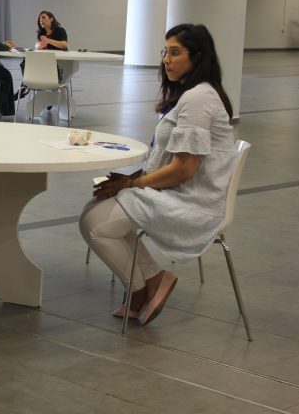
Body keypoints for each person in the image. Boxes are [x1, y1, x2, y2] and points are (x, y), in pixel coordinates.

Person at [78, 24, 236, 326]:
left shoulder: (199, 99)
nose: (166, 59)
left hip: (193, 201)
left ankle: (140, 289)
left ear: (196, 57)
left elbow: (183, 169)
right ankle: (151, 281)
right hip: (177, 190)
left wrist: (132, 183)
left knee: (94, 224)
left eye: (175, 53)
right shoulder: (190, 94)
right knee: (95, 210)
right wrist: (129, 180)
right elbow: (170, 160)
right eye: (165, 52)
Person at [17, 11, 69, 100]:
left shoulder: (60, 30)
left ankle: (26, 88)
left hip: (56, 65)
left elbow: (64, 45)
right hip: (43, 63)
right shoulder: (41, 33)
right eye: (40, 18)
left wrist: (48, 40)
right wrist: (38, 46)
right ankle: (26, 84)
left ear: (51, 19)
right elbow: (37, 45)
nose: (41, 20)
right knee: (26, 60)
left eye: (43, 17)